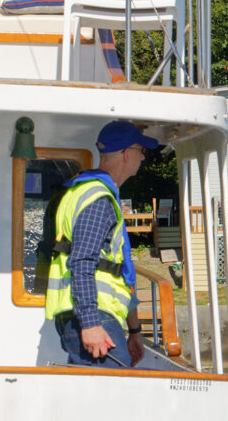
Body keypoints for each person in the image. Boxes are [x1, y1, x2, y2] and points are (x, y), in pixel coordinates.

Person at [44, 120, 159, 368]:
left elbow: (116, 270)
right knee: (111, 396)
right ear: (127, 152)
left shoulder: (92, 192)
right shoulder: (98, 198)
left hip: (94, 315)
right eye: (142, 151)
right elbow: (82, 261)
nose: (142, 159)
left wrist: (135, 330)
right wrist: (90, 323)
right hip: (93, 316)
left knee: (97, 396)